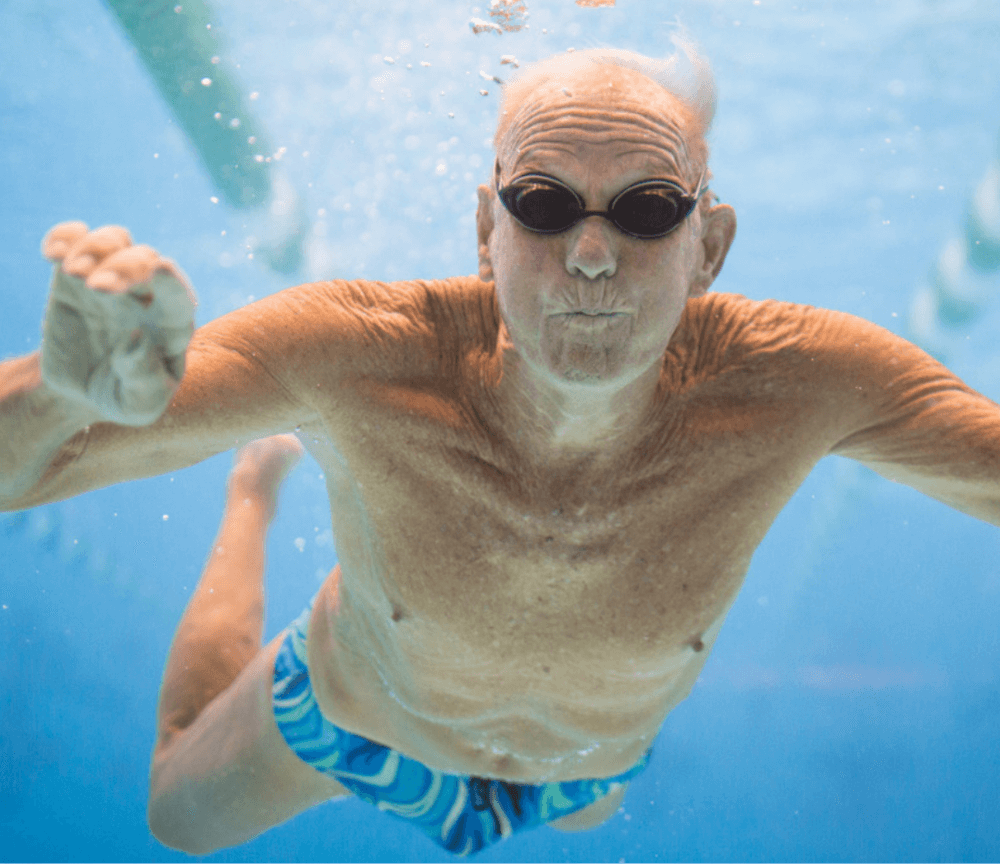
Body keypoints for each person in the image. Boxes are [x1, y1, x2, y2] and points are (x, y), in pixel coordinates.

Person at [2, 45, 999, 858]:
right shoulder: (354, 352)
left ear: (711, 246)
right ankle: (253, 488)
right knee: (174, 815)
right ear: (487, 229)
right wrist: (57, 390)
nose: (592, 253)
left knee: (583, 803)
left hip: (587, 773)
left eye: (648, 210)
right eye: (544, 204)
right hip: (354, 724)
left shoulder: (803, 382)